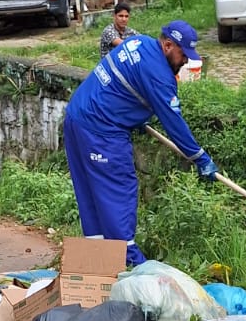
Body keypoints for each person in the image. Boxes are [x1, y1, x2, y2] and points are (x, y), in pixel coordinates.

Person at [63, 20, 217, 266]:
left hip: (76, 117)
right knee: (118, 189)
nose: (186, 61)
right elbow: (173, 122)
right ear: (168, 45)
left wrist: (135, 116)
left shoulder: (139, 42)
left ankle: (96, 264)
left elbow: (123, 85)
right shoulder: (159, 76)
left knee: (91, 194)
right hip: (101, 131)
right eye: (183, 54)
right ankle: (130, 261)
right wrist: (200, 157)